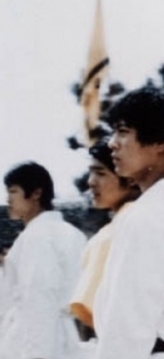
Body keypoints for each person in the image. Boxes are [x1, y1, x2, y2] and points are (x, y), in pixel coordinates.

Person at [86, 85, 164, 359]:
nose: (112, 144)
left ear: (159, 143)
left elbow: (131, 311)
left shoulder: (146, 215)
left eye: (123, 132)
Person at [0, 161, 87, 359]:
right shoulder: (70, 233)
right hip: (62, 345)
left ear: (36, 193)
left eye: (13, 191)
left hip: (33, 355)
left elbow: (39, 297)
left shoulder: (37, 237)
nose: (8, 199)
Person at [70, 137, 140, 329]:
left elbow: (94, 312)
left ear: (129, 178)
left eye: (100, 173)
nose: (91, 182)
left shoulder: (111, 234)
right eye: (91, 173)